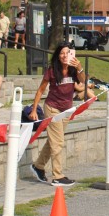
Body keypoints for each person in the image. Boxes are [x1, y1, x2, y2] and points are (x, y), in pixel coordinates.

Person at [28, 42, 85, 187]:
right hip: (52, 108)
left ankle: (38, 166)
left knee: (53, 140)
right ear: (58, 56)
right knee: (58, 142)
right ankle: (57, 176)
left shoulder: (73, 69)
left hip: (66, 110)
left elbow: (83, 81)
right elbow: (41, 90)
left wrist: (79, 67)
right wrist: (34, 110)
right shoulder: (52, 70)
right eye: (61, 53)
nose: (65, 56)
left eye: (67, 53)